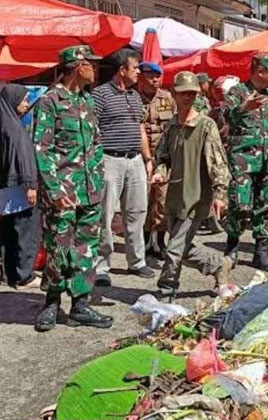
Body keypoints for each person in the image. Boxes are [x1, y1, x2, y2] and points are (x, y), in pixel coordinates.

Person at [33, 45, 113, 331]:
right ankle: (51, 303)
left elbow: (96, 145)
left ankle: (80, 303)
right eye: (92, 64)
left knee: (86, 248)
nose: (96, 69)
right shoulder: (51, 101)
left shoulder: (88, 101)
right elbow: (42, 149)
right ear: (79, 66)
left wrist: (99, 179)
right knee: (58, 248)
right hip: (64, 193)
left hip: (90, 189)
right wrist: (55, 191)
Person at [151, 72, 231, 297]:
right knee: (180, 245)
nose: (188, 97)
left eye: (192, 93)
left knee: (174, 249)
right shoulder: (172, 126)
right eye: (183, 93)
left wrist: (220, 193)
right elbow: (163, 157)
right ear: (174, 94)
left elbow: (218, 162)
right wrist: (159, 173)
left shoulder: (205, 125)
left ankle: (167, 289)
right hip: (175, 195)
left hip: (197, 196)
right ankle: (217, 264)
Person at [216, 56, 268, 272]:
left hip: (266, 161)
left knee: (264, 205)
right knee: (239, 204)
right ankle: (232, 246)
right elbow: (223, 117)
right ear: (258, 71)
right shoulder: (237, 92)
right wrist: (244, 107)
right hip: (242, 160)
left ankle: (261, 251)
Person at [93, 48, 154, 286]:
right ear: (122, 70)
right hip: (110, 160)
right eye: (136, 68)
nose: (139, 72)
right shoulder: (100, 95)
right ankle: (102, 265)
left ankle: (137, 261)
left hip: (134, 160)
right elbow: (92, 129)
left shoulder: (135, 96)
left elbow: (140, 129)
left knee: (137, 212)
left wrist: (147, 159)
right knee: (105, 215)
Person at [0, 84, 39, 288]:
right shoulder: (15, 129)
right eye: (24, 100)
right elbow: (23, 158)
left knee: (8, 233)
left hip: (7, 188)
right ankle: (24, 276)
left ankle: (10, 274)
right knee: (25, 231)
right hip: (20, 189)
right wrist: (30, 185)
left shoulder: (5, 123)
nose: (26, 104)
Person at [137, 61, 176, 259]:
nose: (155, 80)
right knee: (142, 200)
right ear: (141, 77)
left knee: (163, 201)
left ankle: (160, 242)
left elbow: (176, 125)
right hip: (140, 158)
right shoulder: (134, 98)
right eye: (151, 76)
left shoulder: (167, 98)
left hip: (162, 158)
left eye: (157, 76)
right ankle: (143, 242)